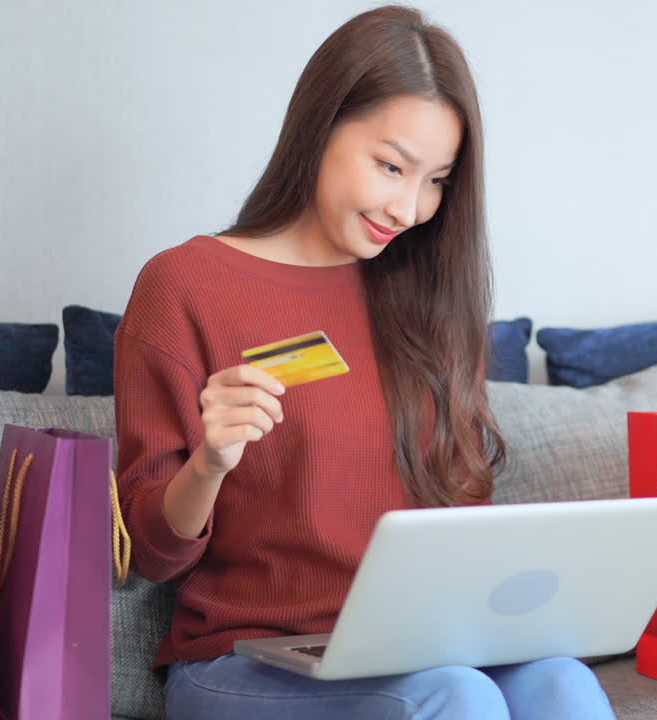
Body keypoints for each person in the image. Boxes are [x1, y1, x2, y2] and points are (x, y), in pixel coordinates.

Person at [114, 7, 617, 719]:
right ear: (320, 127)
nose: (410, 207)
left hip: (417, 650)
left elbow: (462, 517)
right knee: (457, 697)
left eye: (437, 180)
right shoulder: (184, 286)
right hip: (243, 662)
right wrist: (211, 462)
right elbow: (148, 557)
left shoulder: (427, 298)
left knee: (561, 681)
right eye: (391, 166)